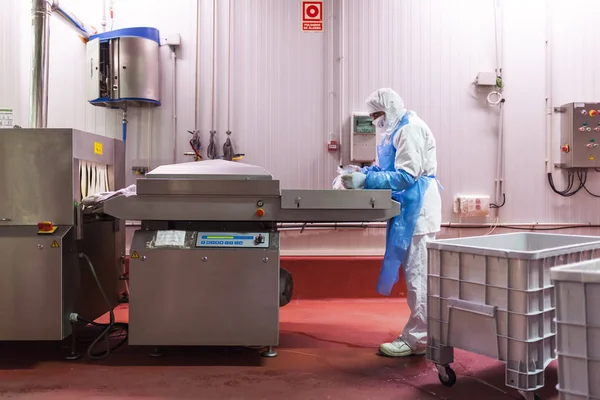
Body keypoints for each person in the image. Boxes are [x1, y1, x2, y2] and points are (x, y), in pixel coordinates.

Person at [342, 88, 442, 357]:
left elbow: (407, 176)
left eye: (378, 115)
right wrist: (364, 173)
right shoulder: (397, 131)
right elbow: (388, 169)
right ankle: (421, 334)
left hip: (417, 210)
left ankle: (418, 340)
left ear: (390, 109)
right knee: (415, 274)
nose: (376, 121)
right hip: (408, 208)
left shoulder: (410, 130)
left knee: (419, 276)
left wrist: (367, 181)